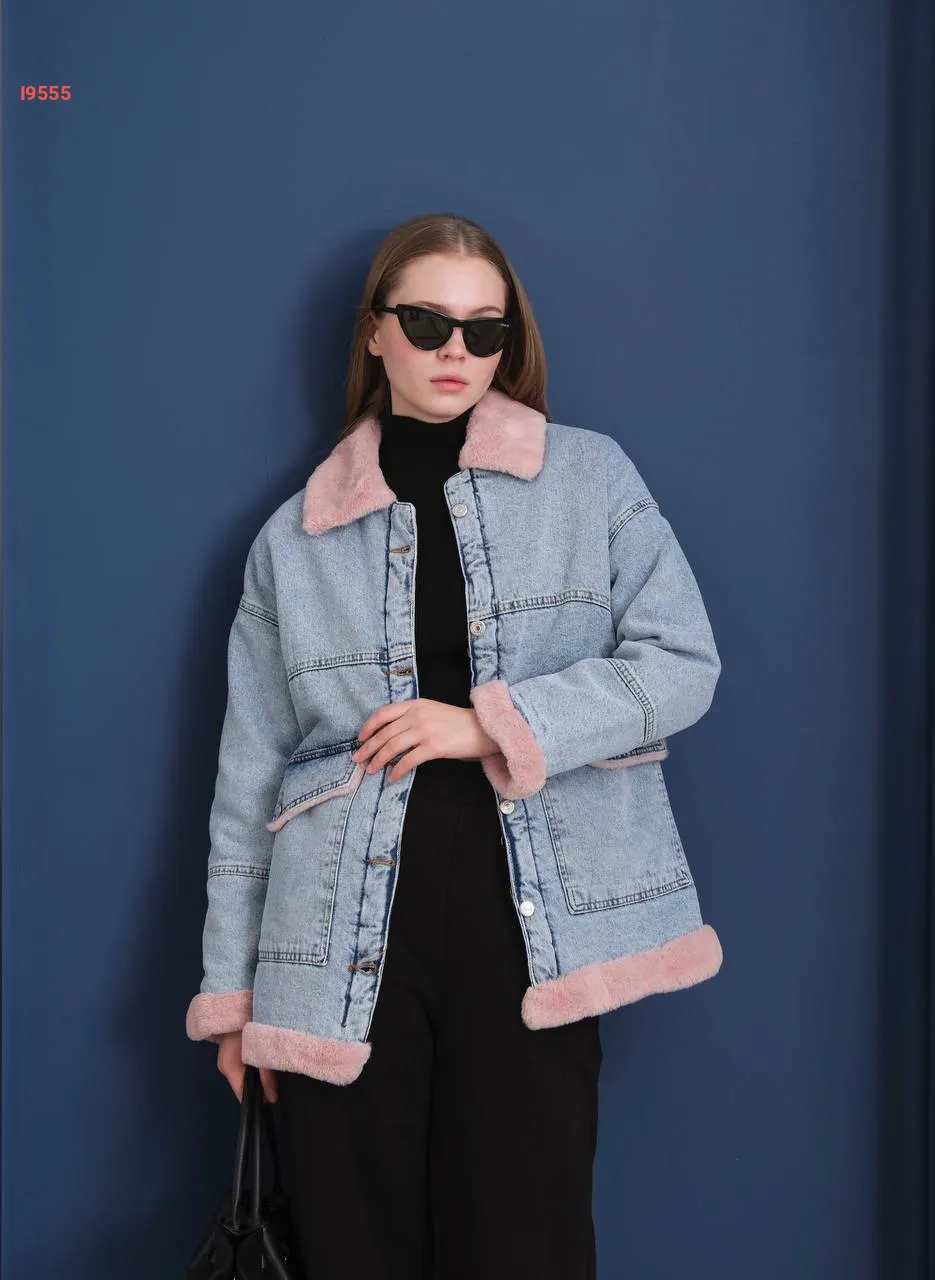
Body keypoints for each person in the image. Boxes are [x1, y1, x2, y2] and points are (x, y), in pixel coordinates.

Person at [186, 210, 723, 1279]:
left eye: (485, 330)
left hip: (527, 924)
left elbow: (682, 662)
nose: (455, 352)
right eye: (428, 323)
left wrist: (487, 723)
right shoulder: (294, 538)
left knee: (524, 1242)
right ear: (374, 331)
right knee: (352, 1245)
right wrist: (232, 1002)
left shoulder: (589, 479)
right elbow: (248, 782)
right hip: (336, 936)